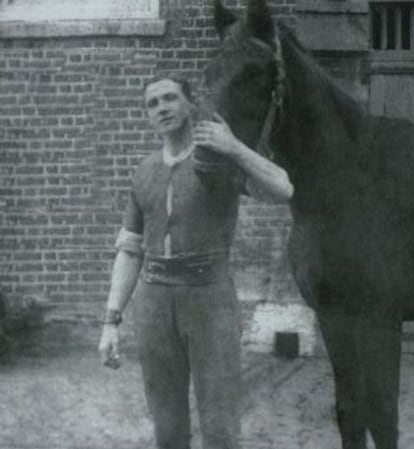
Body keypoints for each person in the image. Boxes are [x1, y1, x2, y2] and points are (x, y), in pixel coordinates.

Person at [97, 74, 293, 449]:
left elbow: (284, 188)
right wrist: (110, 321)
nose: (162, 108)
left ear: (189, 104)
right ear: (147, 116)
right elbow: (130, 250)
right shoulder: (144, 171)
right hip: (154, 302)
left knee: (220, 426)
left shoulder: (216, 160)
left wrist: (235, 147)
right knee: (167, 425)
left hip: (210, 301)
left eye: (170, 98)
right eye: (152, 104)